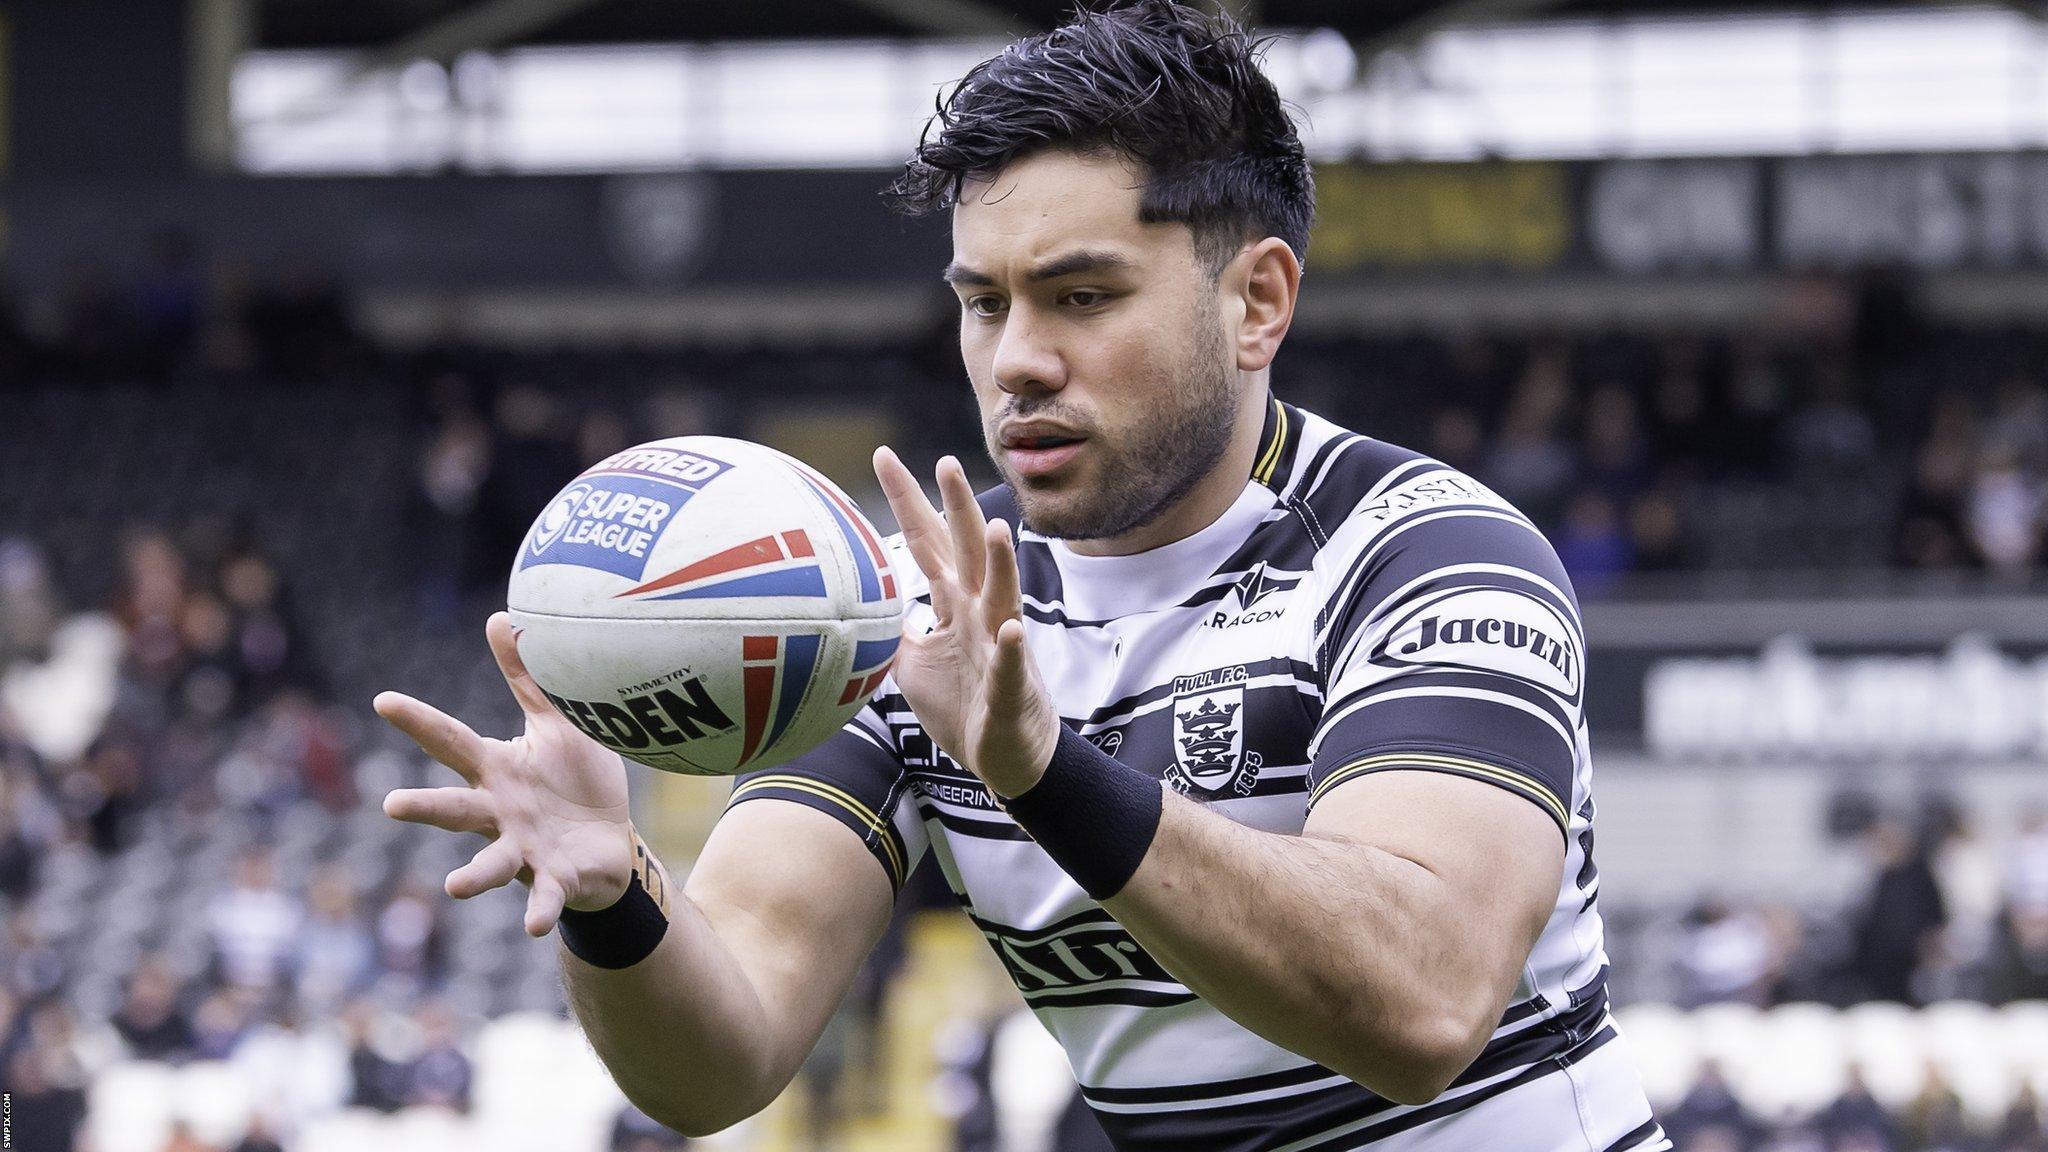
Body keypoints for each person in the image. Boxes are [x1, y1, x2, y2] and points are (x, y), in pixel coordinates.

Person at [373, 4, 1664, 1149]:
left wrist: (1041, 773)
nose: (1018, 361)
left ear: (1257, 302)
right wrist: (619, 895)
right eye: (985, 303)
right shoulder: (893, 609)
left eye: (1082, 296)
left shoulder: (1431, 556)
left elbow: (1423, 1003)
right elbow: (722, 1064)